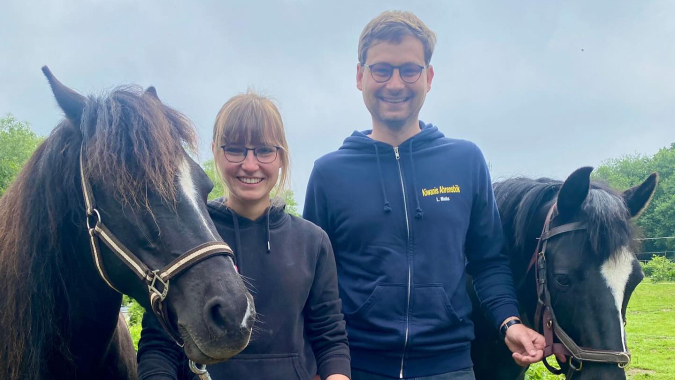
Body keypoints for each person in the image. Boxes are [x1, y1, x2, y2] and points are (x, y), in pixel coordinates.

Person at [303, 11, 545, 380]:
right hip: (355, 368)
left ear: (429, 77)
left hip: (449, 366)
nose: (395, 83)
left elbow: (488, 261)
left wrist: (509, 321)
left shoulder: (466, 161)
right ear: (360, 76)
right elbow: (314, 280)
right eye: (381, 69)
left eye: (409, 70)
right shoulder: (329, 173)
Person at [137, 91, 351, 380]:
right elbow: (158, 345)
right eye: (235, 149)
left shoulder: (312, 242)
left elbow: (330, 338)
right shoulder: (186, 235)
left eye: (264, 150)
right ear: (215, 150)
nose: (250, 165)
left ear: (281, 156)